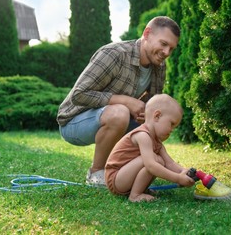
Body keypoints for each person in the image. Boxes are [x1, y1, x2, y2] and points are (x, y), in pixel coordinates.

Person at [57, 16, 180, 187]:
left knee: (157, 125)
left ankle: (130, 172)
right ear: (147, 34)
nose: (166, 53)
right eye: (163, 44)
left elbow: (153, 110)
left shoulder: (159, 66)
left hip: (114, 120)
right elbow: (78, 95)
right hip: (74, 122)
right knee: (120, 113)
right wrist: (126, 101)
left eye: (171, 49)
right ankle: (96, 172)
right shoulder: (115, 54)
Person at [105, 94, 195, 202]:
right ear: (157, 116)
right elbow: (150, 166)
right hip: (116, 179)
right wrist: (177, 178)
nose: (172, 130)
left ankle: (140, 189)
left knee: (159, 160)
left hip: (125, 178)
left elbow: (169, 163)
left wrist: (184, 172)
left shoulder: (156, 141)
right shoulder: (143, 135)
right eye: (171, 124)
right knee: (153, 160)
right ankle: (135, 195)